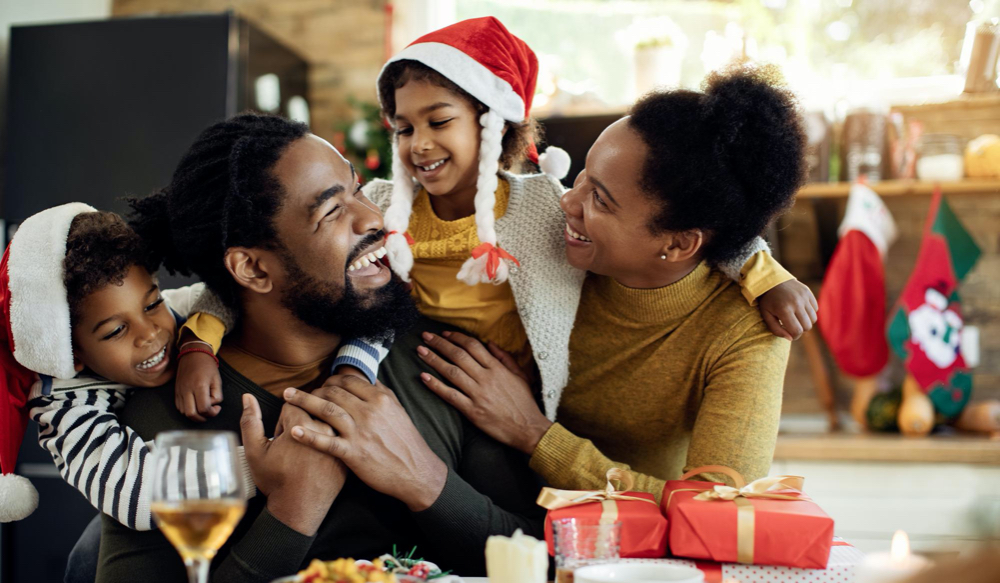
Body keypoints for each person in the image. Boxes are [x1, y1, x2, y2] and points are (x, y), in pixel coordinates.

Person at [174, 17, 817, 426]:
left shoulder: (541, 206)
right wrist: (199, 342)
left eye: (438, 121)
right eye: (403, 128)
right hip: (406, 384)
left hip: (515, 409)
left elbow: (692, 228)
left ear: (492, 125)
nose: (418, 144)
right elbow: (257, 268)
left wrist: (765, 273)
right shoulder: (380, 203)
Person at [92, 112, 546, 583]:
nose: (373, 218)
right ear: (253, 268)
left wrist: (425, 479)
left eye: (357, 189)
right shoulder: (164, 419)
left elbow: (545, 569)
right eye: (331, 211)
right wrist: (292, 511)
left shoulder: (444, 361)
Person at [406, 64, 806, 499]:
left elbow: (717, 508)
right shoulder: (549, 237)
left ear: (678, 243)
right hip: (501, 484)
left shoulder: (745, 332)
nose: (567, 201)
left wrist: (535, 434)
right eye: (582, 175)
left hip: (630, 532)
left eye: (600, 199)